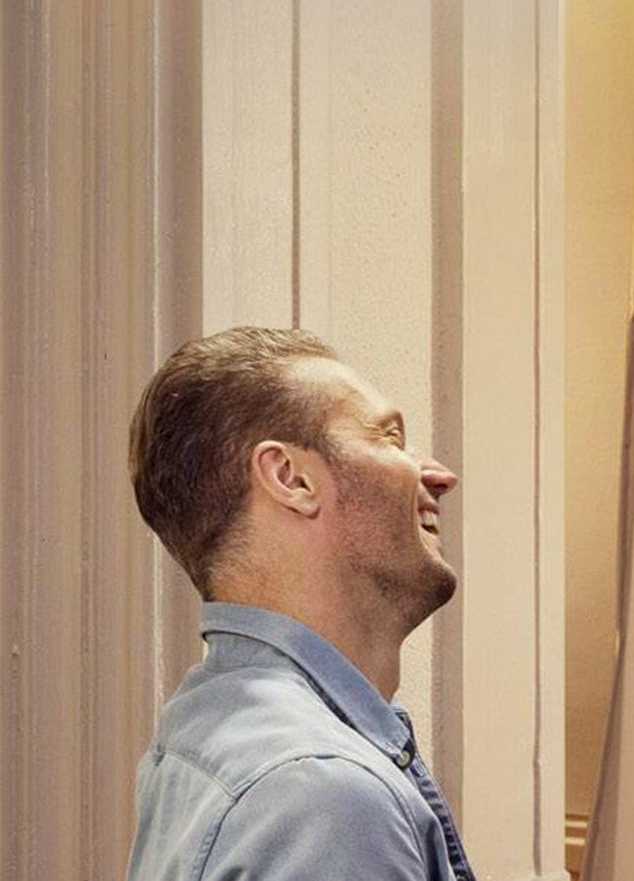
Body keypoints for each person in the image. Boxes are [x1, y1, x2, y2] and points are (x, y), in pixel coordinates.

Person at [124, 326, 477, 881]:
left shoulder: (204, 724)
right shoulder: (325, 793)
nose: (438, 474)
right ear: (291, 478)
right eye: (388, 438)